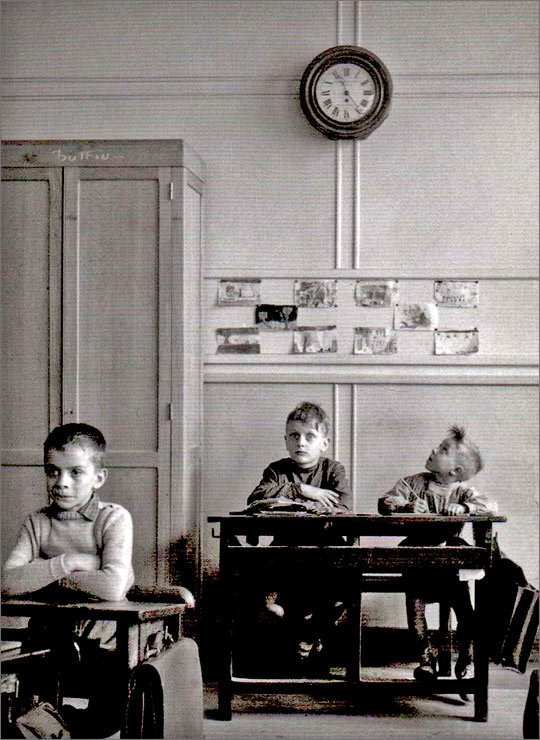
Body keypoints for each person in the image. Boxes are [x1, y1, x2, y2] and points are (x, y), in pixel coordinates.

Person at [2, 422, 135, 737]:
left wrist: (42, 571)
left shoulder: (113, 518)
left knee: (104, 722)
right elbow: (8, 582)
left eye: (75, 472)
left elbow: (113, 586)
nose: (61, 483)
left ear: (98, 478)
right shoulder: (37, 522)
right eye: (52, 471)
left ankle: (63, 724)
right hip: (45, 641)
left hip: (105, 645)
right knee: (22, 716)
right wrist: (71, 562)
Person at [378, 425, 498, 683]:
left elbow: (490, 506)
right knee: (415, 605)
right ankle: (425, 658)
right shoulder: (411, 484)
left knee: (465, 609)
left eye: (443, 450)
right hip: (417, 559)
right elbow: (385, 503)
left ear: (455, 471)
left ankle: (466, 657)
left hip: (448, 564)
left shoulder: (462, 492)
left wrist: (464, 507)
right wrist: (407, 506)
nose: (434, 450)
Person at [245, 402, 351, 673]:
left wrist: (294, 503)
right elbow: (257, 498)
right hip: (285, 551)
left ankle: (309, 644)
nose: (300, 443)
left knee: (338, 593)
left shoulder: (333, 470)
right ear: (286, 440)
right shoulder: (276, 470)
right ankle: (296, 649)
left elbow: (342, 508)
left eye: (309, 437)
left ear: (324, 443)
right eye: (294, 436)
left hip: (325, 551)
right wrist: (302, 489)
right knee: (271, 600)